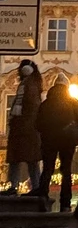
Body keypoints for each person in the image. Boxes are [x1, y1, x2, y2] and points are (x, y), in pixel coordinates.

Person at [36, 72, 78, 212]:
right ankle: (65, 203)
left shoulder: (46, 103)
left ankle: (43, 198)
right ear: (67, 87)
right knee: (66, 171)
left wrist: (48, 131)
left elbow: (38, 123)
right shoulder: (73, 102)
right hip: (67, 140)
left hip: (49, 140)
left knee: (47, 169)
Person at [4, 58, 42, 192]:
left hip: (24, 128)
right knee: (29, 160)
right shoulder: (31, 83)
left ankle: (15, 186)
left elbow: (29, 106)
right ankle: (34, 186)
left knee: (21, 159)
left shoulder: (29, 85)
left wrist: (17, 121)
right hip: (25, 128)